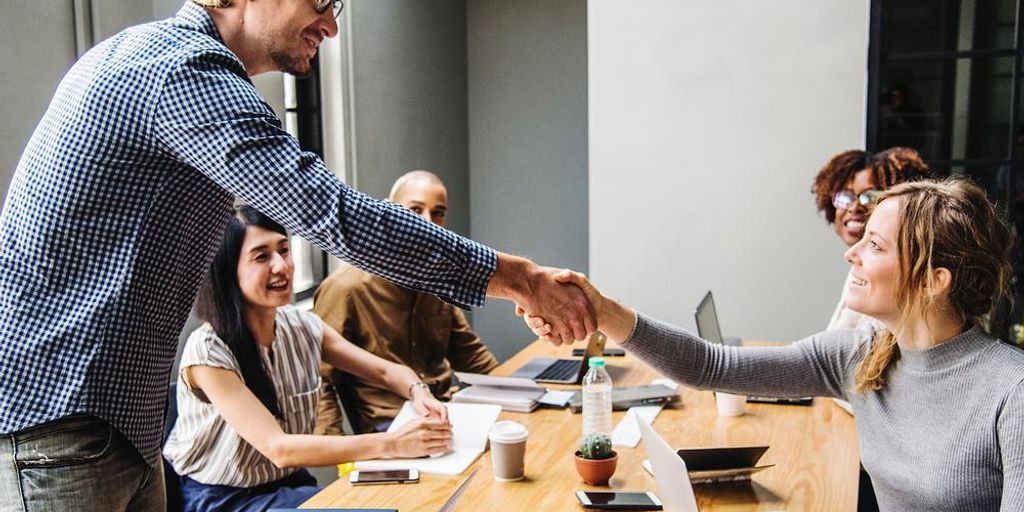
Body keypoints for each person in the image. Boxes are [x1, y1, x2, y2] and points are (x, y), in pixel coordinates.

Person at [0, 1, 593, 510]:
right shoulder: (182, 68)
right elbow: (332, 212)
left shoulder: (164, 62)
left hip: (111, 423)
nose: (330, 26)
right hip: (60, 425)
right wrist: (521, 279)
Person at [528, 179, 1024, 511]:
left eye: (874, 245)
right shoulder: (859, 353)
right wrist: (602, 310)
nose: (851, 252)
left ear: (935, 280)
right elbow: (707, 365)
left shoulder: (1011, 391)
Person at [163, 206, 450, 510]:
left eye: (284, 250)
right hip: (222, 499)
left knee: (403, 500)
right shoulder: (208, 351)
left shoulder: (301, 325)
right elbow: (280, 448)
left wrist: (419, 392)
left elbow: (385, 373)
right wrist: (393, 445)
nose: (281, 266)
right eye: (262, 257)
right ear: (227, 272)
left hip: (287, 484)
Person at [314, 171, 498, 434]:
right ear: (389, 213)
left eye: (438, 213)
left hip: (447, 412)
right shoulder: (347, 288)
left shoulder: (436, 279)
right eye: (414, 209)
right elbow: (319, 378)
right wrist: (338, 451)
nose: (428, 223)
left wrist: (516, 397)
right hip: (388, 428)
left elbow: (471, 356)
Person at [812, 147, 929, 331]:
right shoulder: (857, 266)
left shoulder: (890, 281)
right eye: (845, 196)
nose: (854, 207)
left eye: (871, 196)